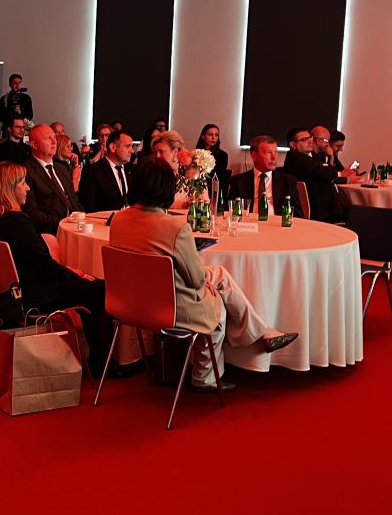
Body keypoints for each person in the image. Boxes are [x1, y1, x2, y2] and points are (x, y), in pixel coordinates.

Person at [110, 159, 298, 391]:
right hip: (169, 306)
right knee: (218, 303)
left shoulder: (119, 220)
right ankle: (205, 377)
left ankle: (263, 332)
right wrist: (203, 281)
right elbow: (196, 280)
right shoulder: (173, 228)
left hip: (130, 301)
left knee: (218, 273)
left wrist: (203, 279)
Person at [0, 162, 120, 377]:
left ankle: (94, 357)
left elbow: (39, 262)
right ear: (9, 189)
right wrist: (74, 274)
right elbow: (45, 267)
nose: (28, 188)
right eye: (23, 183)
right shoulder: (18, 222)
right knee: (103, 289)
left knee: (90, 284)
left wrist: (70, 271)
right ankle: (103, 365)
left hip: (11, 292)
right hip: (37, 294)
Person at [281, 127, 356, 222]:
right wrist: (339, 174)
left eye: (310, 138)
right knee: (357, 212)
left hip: (323, 205)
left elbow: (326, 172)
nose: (310, 141)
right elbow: (326, 173)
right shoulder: (298, 159)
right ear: (293, 145)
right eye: (304, 140)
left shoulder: (309, 157)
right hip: (318, 210)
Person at [22, 123, 83, 234]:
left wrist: (83, 217)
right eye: (47, 138)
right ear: (34, 145)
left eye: (54, 137)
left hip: (75, 227)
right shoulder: (26, 171)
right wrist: (62, 224)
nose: (54, 142)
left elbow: (73, 199)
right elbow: (31, 212)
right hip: (50, 232)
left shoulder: (62, 168)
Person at [229, 135, 303, 217]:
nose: (274, 157)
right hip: (249, 222)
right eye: (269, 153)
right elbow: (231, 211)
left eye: (276, 152)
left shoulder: (288, 181)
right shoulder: (238, 181)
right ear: (254, 156)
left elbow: (298, 214)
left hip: (277, 222)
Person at [79, 129, 133, 213]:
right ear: (113, 147)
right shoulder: (92, 171)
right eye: (127, 146)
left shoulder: (130, 170)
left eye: (131, 147)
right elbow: (89, 206)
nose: (132, 151)